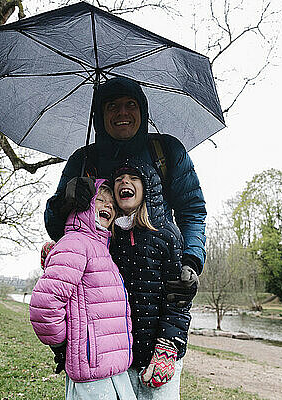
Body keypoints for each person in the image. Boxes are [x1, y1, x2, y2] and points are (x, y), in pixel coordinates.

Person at [44, 76, 206, 306]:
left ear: (143, 110)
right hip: (95, 292)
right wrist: (63, 202)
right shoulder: (82, 161)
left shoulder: (167, 151)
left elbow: (192, 211)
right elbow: (56, 228)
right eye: (112, 106)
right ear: (99, 117)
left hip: (156, 287)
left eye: (131, 104)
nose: (122, 113)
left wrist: (191, 262)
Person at [29, 181, 136, 400]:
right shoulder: (76, 243)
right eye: (100, 200)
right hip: (92, 371)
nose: (108, 206)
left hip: (113, 369)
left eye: (112, 204)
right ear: (85, 205)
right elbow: (45, 304)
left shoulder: (102, 249)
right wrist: (62, 343)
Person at [110, 158, 191, 400]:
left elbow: (178, 299)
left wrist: (169, 343)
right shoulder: (107, 237)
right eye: (118, 179)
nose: (125, 182)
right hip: (120, 356)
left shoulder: (167, 234)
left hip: (159, 354)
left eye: (134, 178)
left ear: (148, 188)